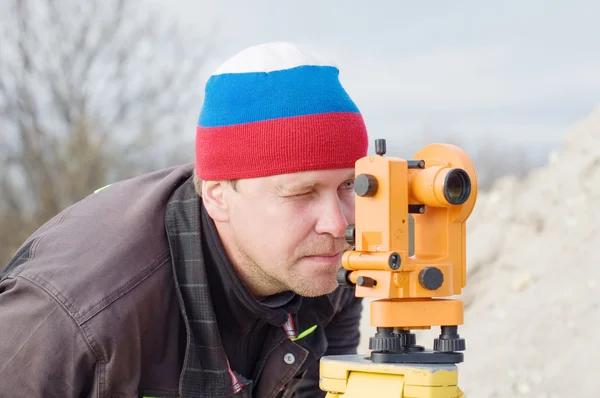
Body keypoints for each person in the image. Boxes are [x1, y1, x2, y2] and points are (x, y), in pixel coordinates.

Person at [0, 41, 369, 397]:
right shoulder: (78, 316)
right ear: (218, 196)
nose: (337, 224)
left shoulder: (333, 268)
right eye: (302, 193)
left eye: (349, 185)